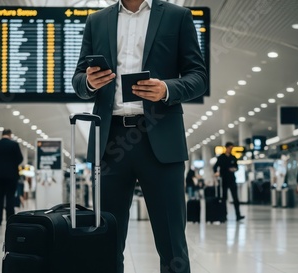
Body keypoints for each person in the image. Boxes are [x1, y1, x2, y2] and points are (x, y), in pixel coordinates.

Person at [72, 0, 207, 272]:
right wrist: (88, 83)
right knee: (106, 240)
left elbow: (199, 76)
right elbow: (78, 80)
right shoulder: (96, 21)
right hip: (110, 140)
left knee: (172, 242)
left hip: (160, 138)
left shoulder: (177, 16)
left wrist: (167, 88)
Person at [0, 129, 23, 226]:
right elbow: (20, 158)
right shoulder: (14, 145)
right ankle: (9, 220)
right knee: (10, 198)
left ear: (2, 134)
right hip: (11, 176)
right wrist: (12, 164)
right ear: (10, 135)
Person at [213, 142, 245, 221]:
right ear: (226, 148)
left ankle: (238, 215)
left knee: (235, 198)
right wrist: (216, 173)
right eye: (230, 148)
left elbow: (237, 167)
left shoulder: (233, 157)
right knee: (224, 198)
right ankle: (224, 215)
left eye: (232, 148)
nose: (231, 150)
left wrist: (234, 169)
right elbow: (215, 166)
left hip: (232, 179)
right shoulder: (221, 157)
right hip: (224, 179)